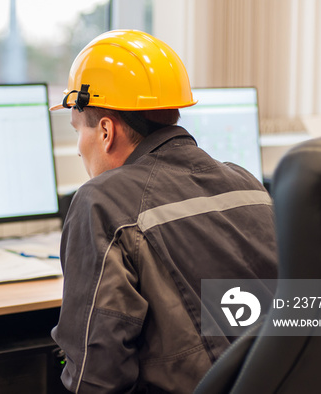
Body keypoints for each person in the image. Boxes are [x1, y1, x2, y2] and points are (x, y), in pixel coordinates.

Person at [49, 30, 278, 393]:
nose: (79, 149)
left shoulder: (101, 202)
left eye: (79, 130)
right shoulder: (247, 183)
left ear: (106, 131)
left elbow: (95, 378)